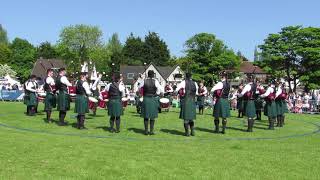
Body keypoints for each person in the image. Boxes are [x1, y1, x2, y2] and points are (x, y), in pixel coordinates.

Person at [139, 70, 162, 135]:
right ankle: (151, 131)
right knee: (152, 116)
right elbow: (160, 89)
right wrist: (156, 93)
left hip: (146, 98)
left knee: (146, 116)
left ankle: (146, 131)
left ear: (148, 75)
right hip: (153, 99)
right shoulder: (156, 81)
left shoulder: (144, 81)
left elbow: (139, 87)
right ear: (153, 75)